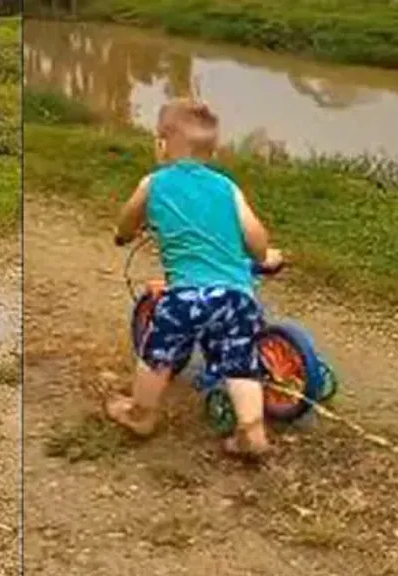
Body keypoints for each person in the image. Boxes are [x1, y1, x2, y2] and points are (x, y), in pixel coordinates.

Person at [105, 98, 284, 463]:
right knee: (240, 362)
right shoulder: (227, 188)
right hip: (236, 297)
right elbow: (257, 237)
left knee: (157, 354)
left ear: (161, 143)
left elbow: (127, 221)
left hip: (186, 295)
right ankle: (252, 431)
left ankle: (141, 415)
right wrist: (266, 258)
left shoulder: (153, 183)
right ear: (212, 150)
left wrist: (123, 234)